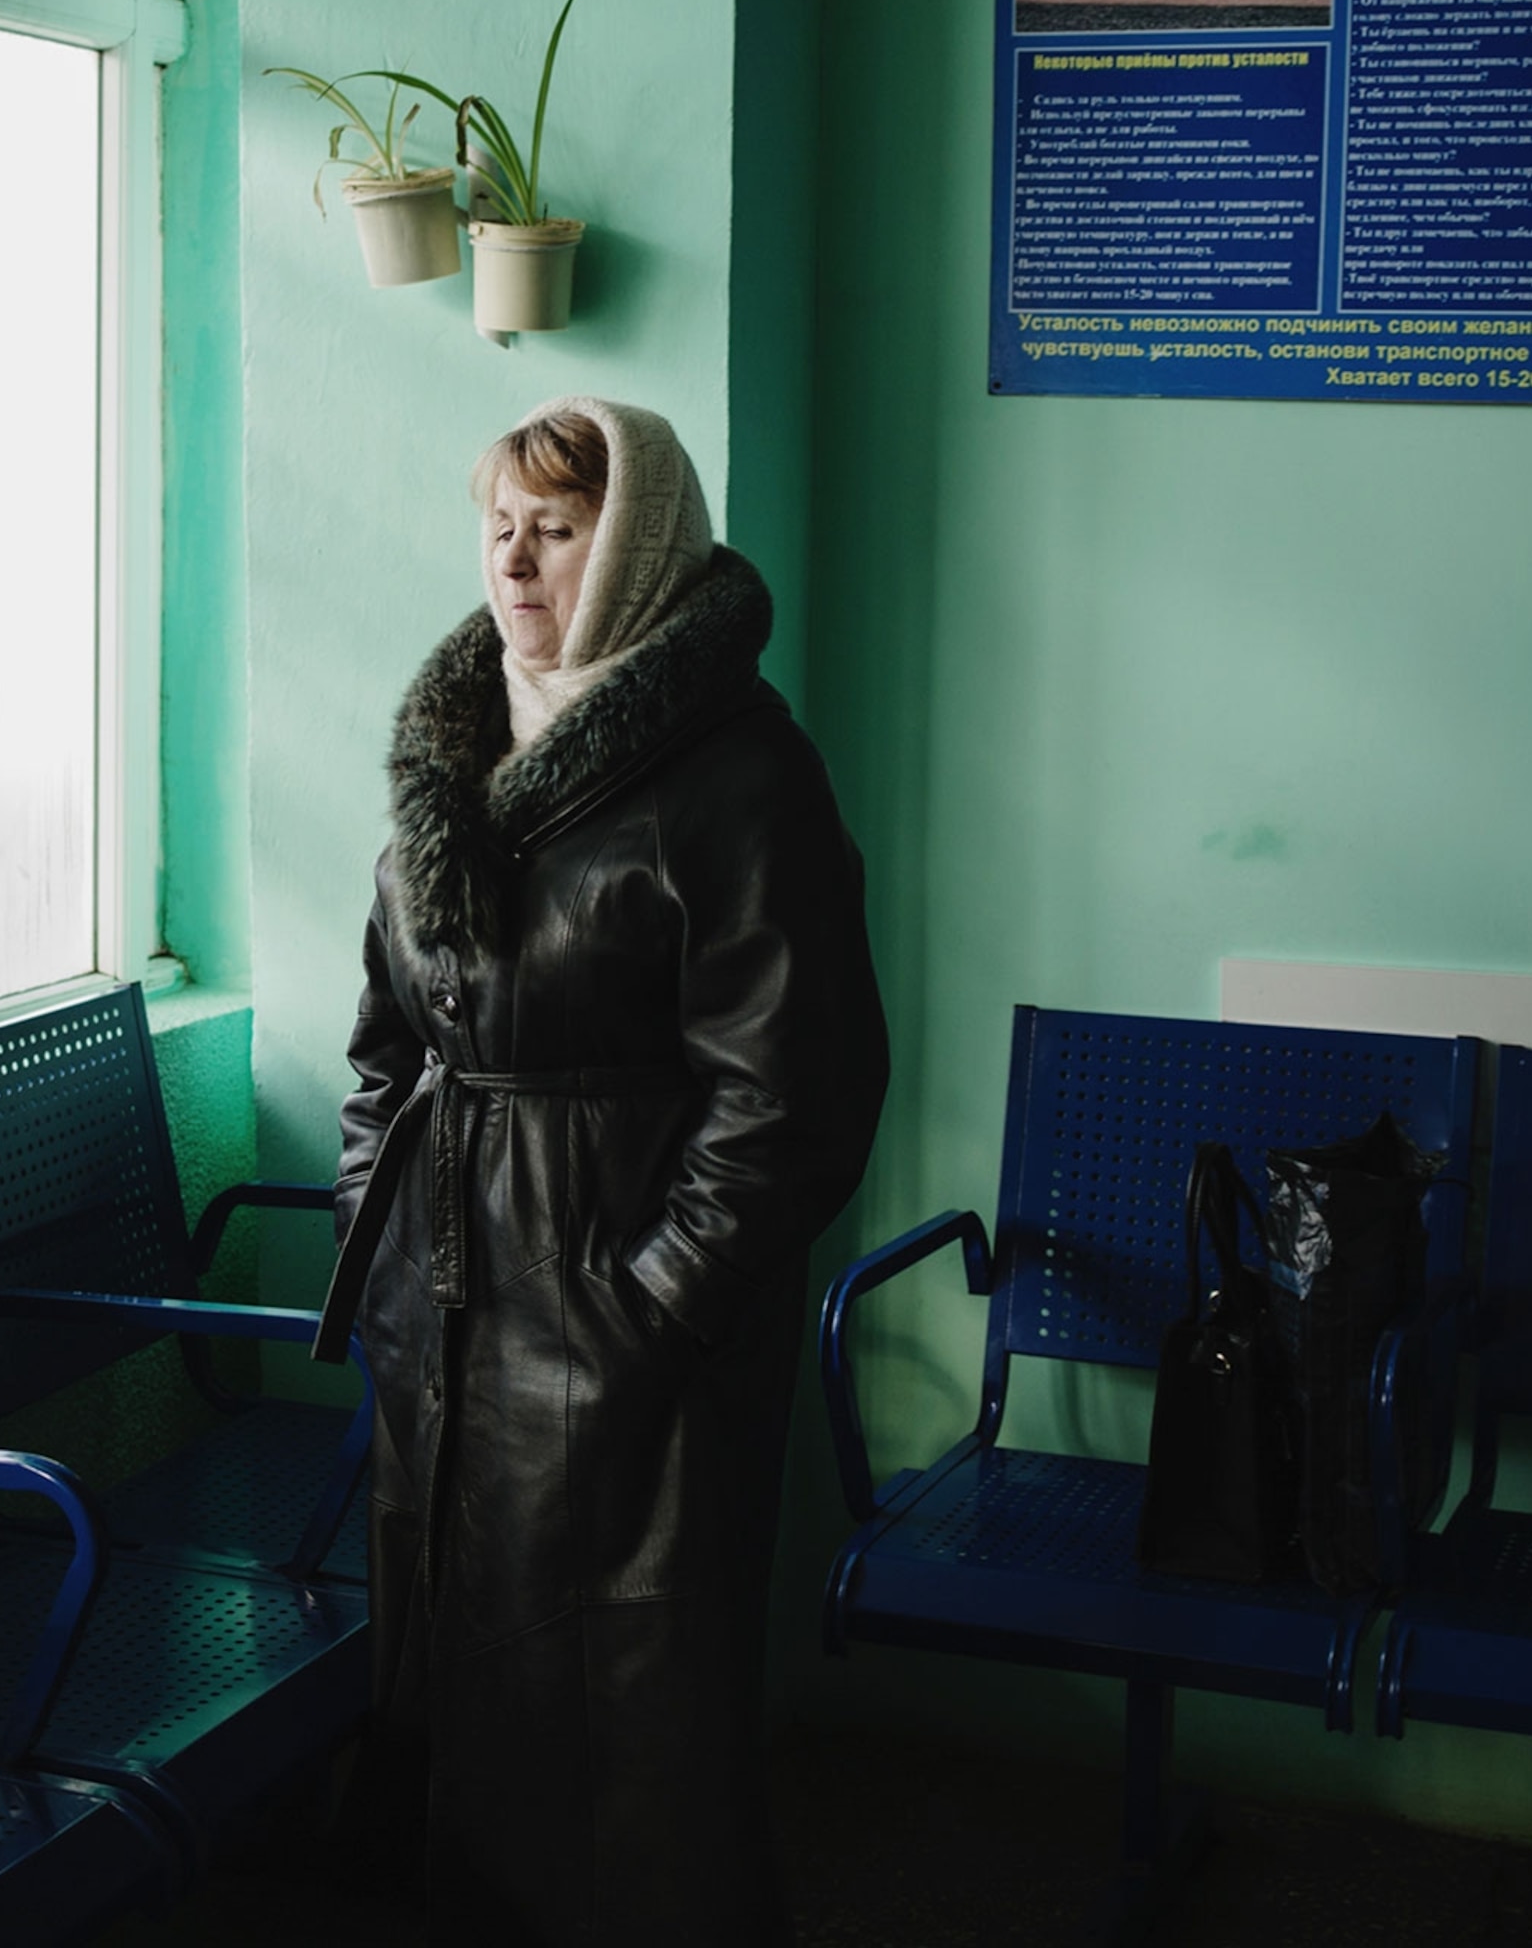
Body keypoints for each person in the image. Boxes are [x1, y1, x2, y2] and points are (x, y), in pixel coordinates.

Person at [318, 398, 887, 1946]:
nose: (514, 561)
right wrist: (381, 1240)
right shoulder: (452, 756)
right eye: (499, 526)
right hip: (447, 1307)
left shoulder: (742, 775)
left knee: (631, 1715)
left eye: (557, 530)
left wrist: (650, 1309)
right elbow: (383, 1048)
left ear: (634, 548)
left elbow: (798, 1095)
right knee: (456, 1678)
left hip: (627, 1320)